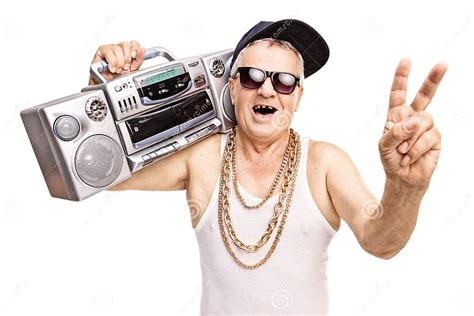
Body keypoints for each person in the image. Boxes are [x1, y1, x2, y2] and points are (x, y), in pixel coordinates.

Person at [88, 19, 447, 315]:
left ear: (299, 97)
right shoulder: (203, 158)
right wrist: (100, 96)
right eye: (252, 77)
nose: (267, 91)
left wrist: (406, 186)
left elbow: (380, 242)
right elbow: (106, 177)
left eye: (285, 81)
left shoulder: (324, 163)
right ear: (232, 89)